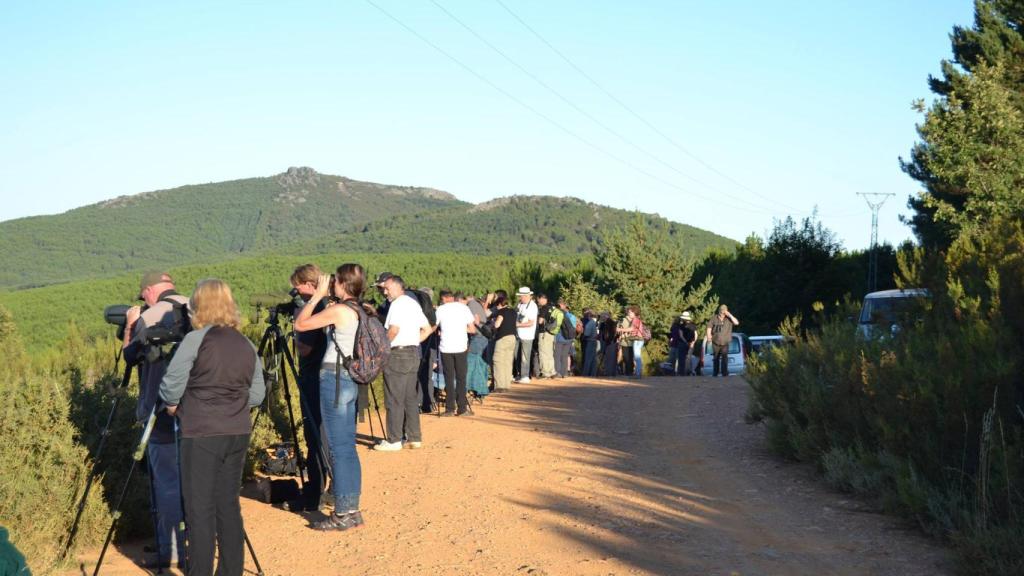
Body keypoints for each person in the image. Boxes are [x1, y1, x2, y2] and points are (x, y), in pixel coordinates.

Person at [159, 279, 266, 575]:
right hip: (237, 432)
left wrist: (175, 406)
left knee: (200, 510)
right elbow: (257, 395)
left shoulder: (195, 340)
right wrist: (232, 404)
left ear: (198, 306)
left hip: (201, 433)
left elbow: (170, 387)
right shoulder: (245, 343)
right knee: (228, 506)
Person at [293, 264, 372, 529]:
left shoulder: (339, 310)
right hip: (350, 379)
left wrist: (316, 297)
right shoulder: (359, 308)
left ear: (343, 284)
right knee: (347, 448)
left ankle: (342, 514)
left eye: (335, 281)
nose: (331, 285)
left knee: (338, 449)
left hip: (334, 378)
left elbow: (301, 324)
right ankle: (352, 510)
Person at [122, 271, 188, 569]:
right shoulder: (197, 306)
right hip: (198, 413)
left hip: (159, 412)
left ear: (149, 290)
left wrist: (130, 324)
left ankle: (171, 549)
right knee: (196, 481)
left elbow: (130, 357)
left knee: (167, 484)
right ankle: (199, 543)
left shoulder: (148, 317)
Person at [287, 264, 329, 512]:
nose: (296, 291)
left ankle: (314, 493)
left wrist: (297, 325)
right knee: (326, 435)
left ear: (310, 285)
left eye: (298, 286)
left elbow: (304, 349)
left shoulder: (313, 309)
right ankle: (329, 488)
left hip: (313, 376)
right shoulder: (329, 305)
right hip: (327, 377)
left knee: (314, 436)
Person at [375, 274, 432, 450]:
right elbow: (428, 329)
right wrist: (413, 340)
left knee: (394, 398)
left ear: (397, 286)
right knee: (410, 398)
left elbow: (393, 330)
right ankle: (414, 437)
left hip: (397, 354)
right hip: (413, 353)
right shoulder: (413, 303)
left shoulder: (397, 304)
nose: (385, 292)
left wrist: (381, 350)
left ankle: (394, 440)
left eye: (387, 288)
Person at [435, 290, 477, 416]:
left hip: (445, 348)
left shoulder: (440, 309)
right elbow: (472, 329)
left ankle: (449, 409)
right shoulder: (464, 308)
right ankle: (462, 408)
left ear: (443, 298)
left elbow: (434, 327)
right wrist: (460, 329)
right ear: (452, 297)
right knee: (461, 378)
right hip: (461, 347)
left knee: (448, 378)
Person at [460, 293, 490, 400]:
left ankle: (474, 389)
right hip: (482, 338)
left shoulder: (471, 305)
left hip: (478, 337)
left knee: (472, 364)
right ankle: (481, 390)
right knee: (480, 364)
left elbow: (475, 321)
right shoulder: (476, 304)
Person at [490, 294, 517, 392]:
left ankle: (499, 386)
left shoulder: (502, 311)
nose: (496, 307)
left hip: (502, 338)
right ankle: (506, 385)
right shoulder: (513, 311)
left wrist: (493, 323)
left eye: (497, 305)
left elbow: (497, 324)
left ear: (500, 304)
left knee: (498, 361)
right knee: (507, 362)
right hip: (512, 337)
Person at [706, 304, 740, 377]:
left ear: (726, 311)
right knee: (716, 358)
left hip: (725, 342)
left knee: (724, 358)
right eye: (721, 312)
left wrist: (730, 315)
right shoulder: (714, 318)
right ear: (719, 311)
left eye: (724, 312)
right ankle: (715, 373)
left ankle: (724, 373)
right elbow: (709, 327)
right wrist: (709, 336)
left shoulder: (729, 318)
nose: (722, 313)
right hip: (715, 341)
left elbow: (737, 323)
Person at [514, 287, 538, 383]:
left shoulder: (532, 306)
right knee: (517, 355)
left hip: (527, 335)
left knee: (525, 356)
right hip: (518, 334)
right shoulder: (520, 304)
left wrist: (518, 325)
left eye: (521, 296)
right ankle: (519, 374)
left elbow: (531, 323)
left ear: (527, 296)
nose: (520, 298)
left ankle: (525, 376)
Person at [535, 294, 557, 379]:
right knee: (549, 353)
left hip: (544, 332)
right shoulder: (552, 307)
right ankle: (552, 371)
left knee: (543, 352)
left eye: (538, 300)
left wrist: (536, 319)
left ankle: (545, 372)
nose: (538, 302)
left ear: (542, 299)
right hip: (551, 333)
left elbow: (540, 321)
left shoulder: (544, 308)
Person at [553, 299, 577, 378]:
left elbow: (556, 325)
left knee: (557, 355)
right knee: (565, 356)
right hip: (569, 338)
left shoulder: (558, 314)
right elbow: (574, 327)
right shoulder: (572, 316)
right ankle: (565, 373)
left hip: (560, 337)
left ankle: (558, 372)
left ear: (560, 305)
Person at [580, 308, 599, 377]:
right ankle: (593, 373)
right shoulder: (594, 323)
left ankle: (585, 373)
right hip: (594, 341)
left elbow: (586, 334)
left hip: (590, 341)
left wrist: (582, 337)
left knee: (588, 358)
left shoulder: (589, 323)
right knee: (593, 358)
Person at [599, 311, 618, 377]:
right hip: (608, 341)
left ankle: (609, 372)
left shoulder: (610, 323)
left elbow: (611, 334)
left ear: (606, 316)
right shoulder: (604, 323)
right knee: (609, 357)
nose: (601, 317)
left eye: (602, 316)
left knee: (610, 357)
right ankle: (609, 372)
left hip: (610, 342)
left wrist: (608, 341)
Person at [680, 311, 698, 376]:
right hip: (691, 343)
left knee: (684, 358)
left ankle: (685, 371)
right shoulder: (693, 325)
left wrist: (686, 342)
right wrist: (693, 342)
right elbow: (696, 335)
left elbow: (681, 335)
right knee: (688, 357)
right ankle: (688, 371)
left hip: (684, 343)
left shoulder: (681, 326)